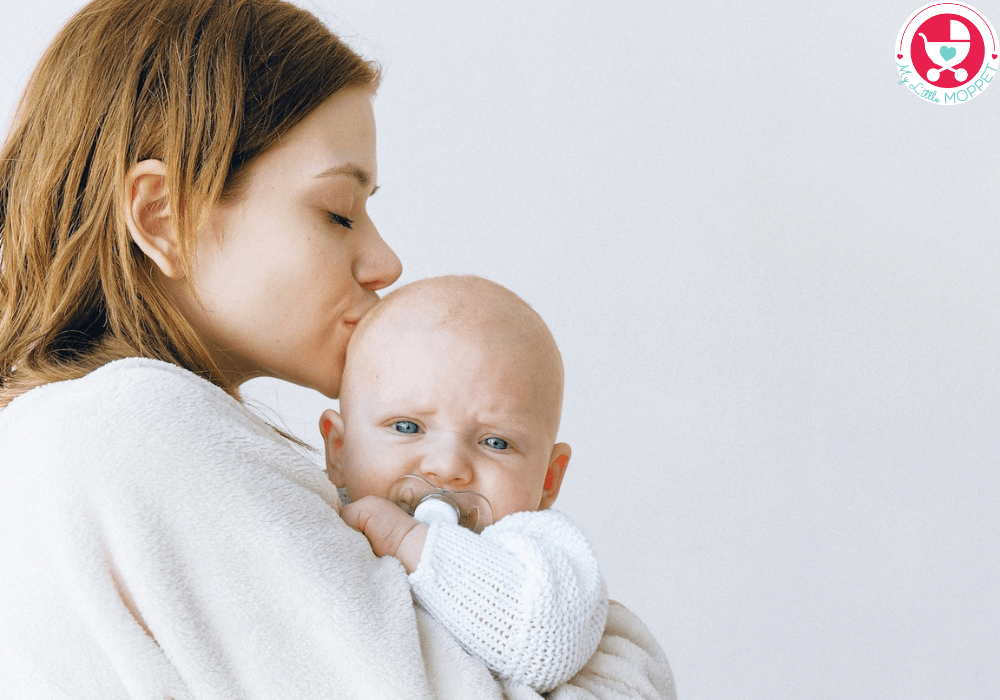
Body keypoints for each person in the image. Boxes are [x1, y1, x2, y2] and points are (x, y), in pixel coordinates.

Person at [0, 0, 676, 698]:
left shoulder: (68, 435)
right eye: (338, 213)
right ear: (161, 215)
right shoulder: (138, 429)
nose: (385, 262)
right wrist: (610, 641)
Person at [319, 275, 608, 693]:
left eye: (496, 442)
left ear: (548, 478)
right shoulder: (316, 518)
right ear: (339, 451)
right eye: (407, 426)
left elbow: (546, 645)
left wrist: (406, 541)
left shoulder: (541, 552)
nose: (448, 467)